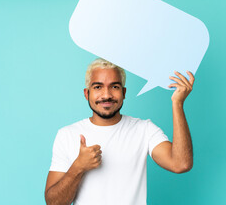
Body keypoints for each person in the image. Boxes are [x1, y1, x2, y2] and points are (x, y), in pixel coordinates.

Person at [45, 58, 195, 205]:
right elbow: (53, 203)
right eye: (98, 87)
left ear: (124, 92)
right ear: (86, 93)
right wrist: (78, 166)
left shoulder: (144, 129)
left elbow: (180, 164)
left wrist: (178, 103)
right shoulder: (67, 135)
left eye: (114, 87)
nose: (106, 95)